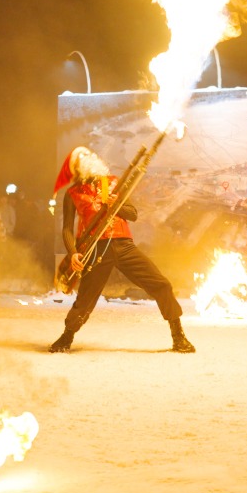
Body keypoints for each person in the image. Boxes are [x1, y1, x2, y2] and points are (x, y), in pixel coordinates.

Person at [48, 146, 194, 353]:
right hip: (95, 249)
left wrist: (116, 204)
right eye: (81, 158)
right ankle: (66, 337)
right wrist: (73, 253)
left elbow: (132, 214)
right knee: (85, 300)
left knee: (161, 285)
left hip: (123, 245)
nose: (88, 158)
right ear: (76, 168)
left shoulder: (114, 184)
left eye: (89, 155)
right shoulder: (72, 193)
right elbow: (66, 229)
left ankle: (178, 336)